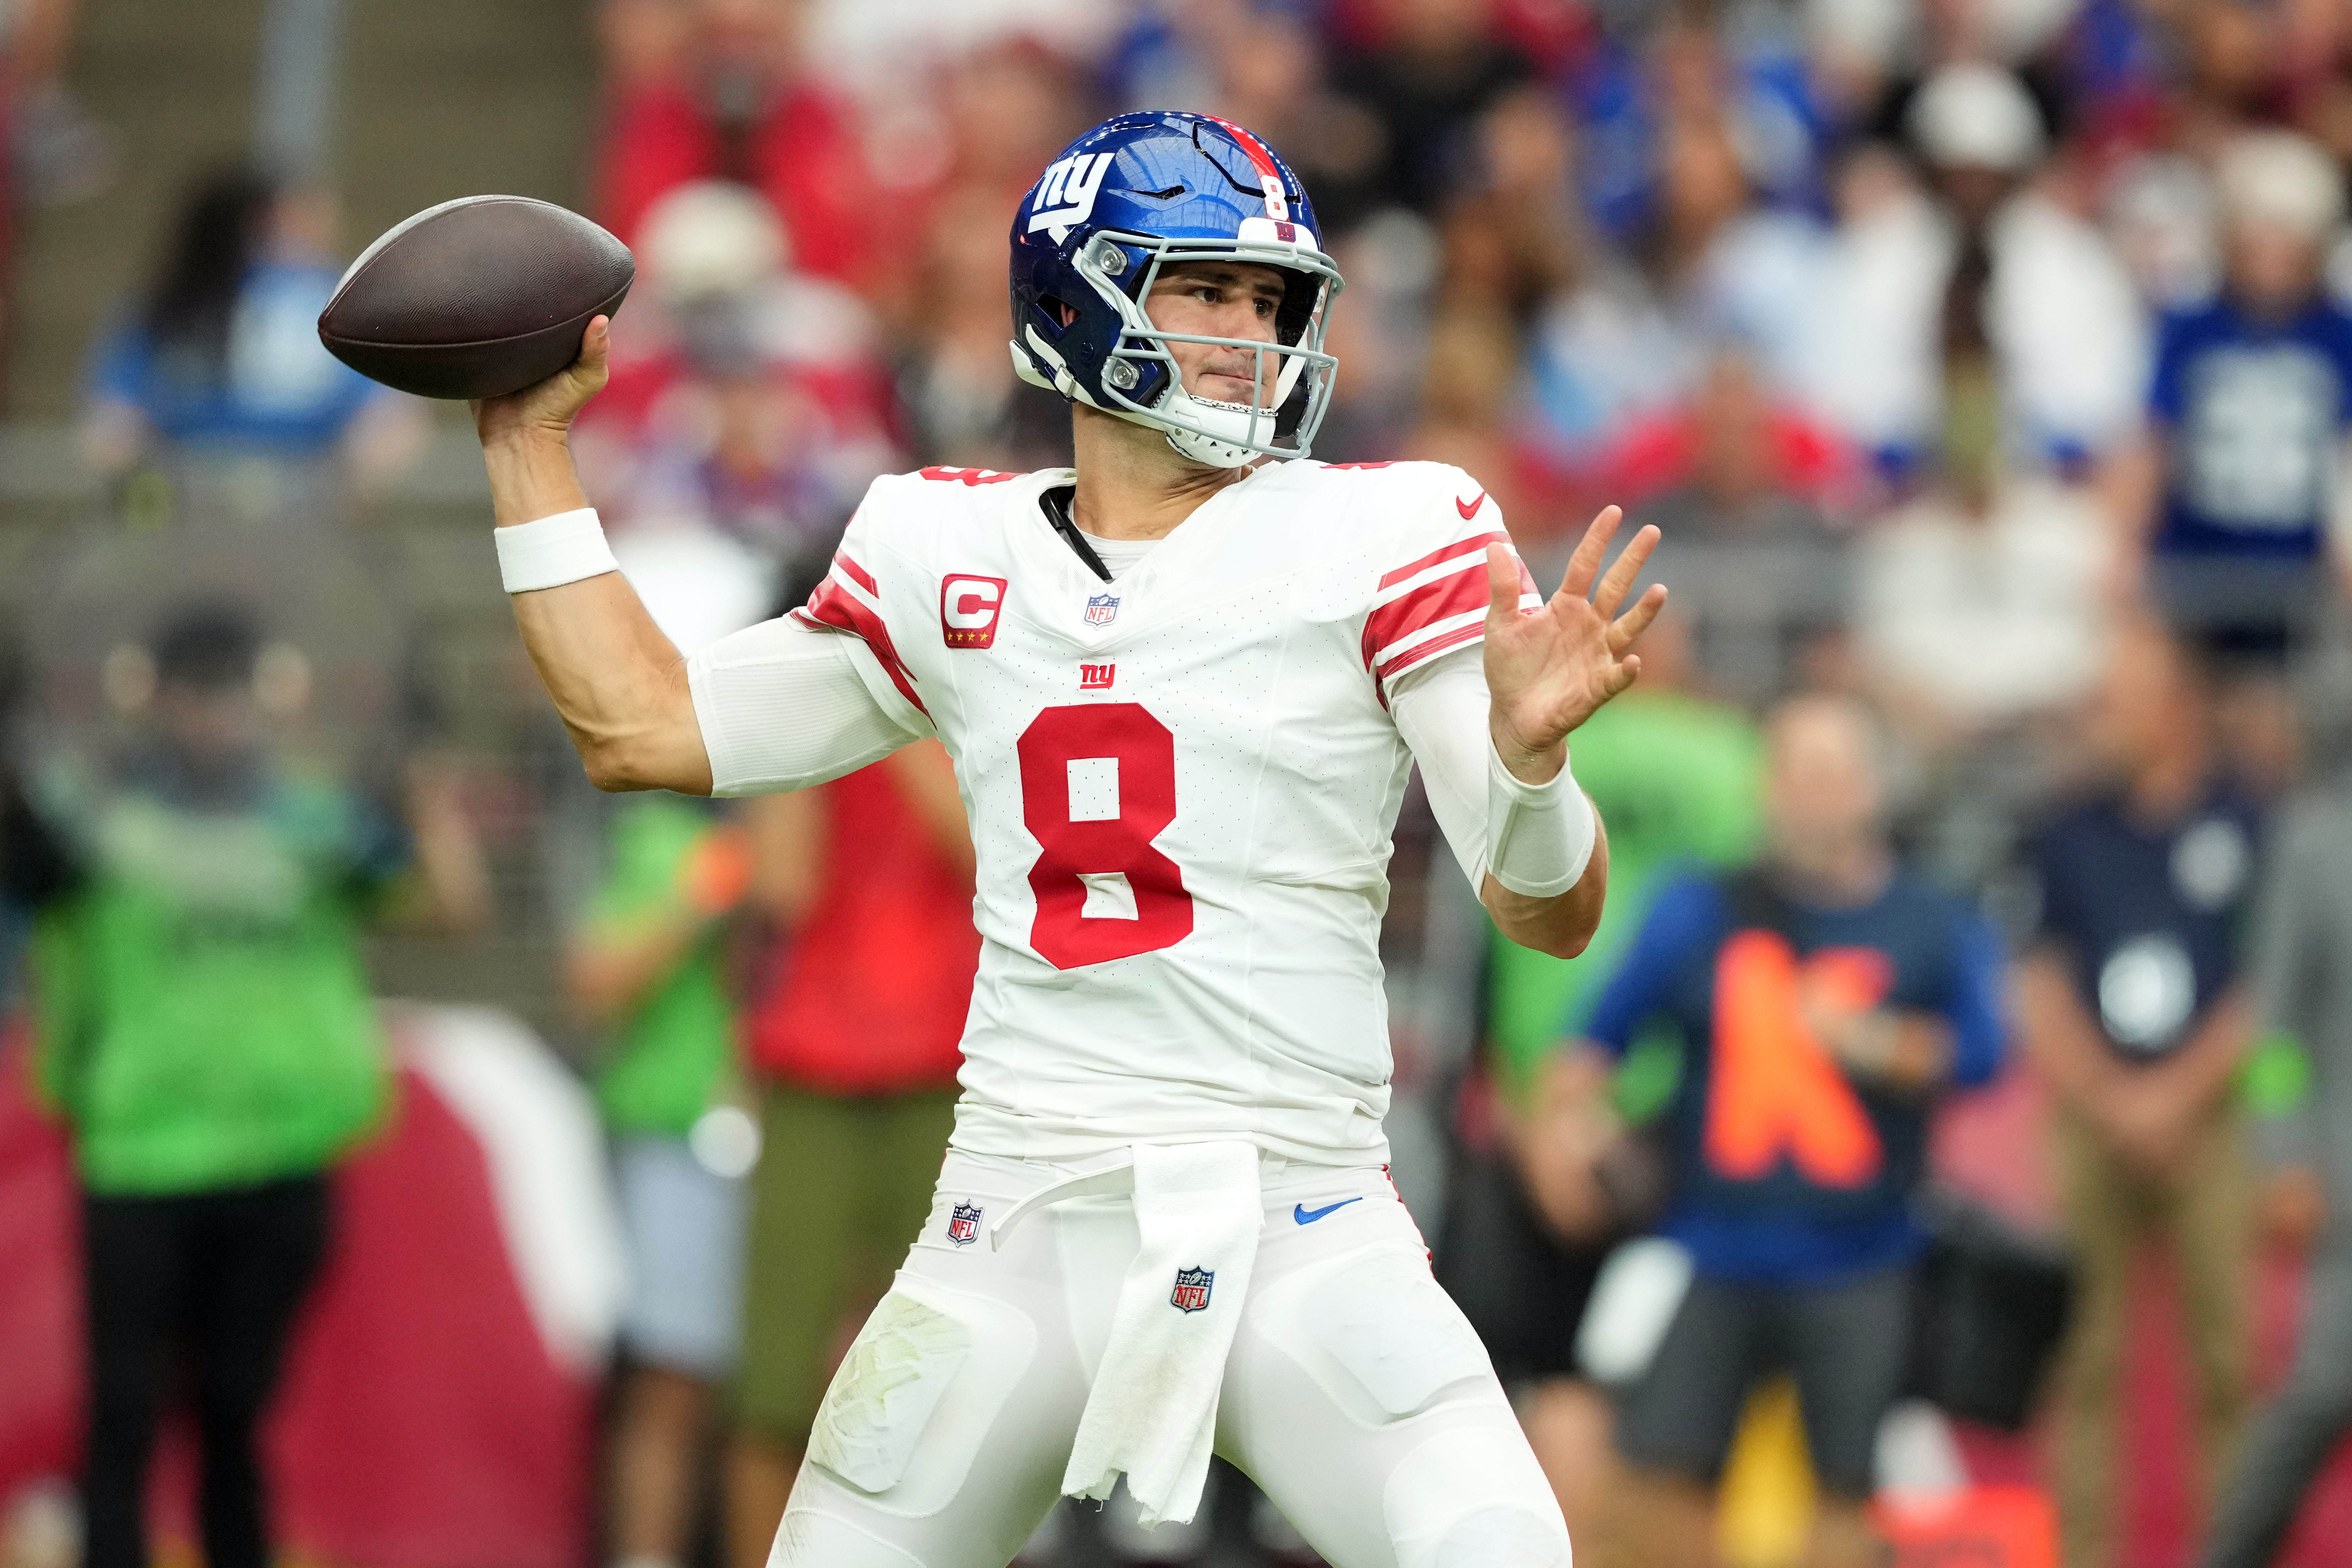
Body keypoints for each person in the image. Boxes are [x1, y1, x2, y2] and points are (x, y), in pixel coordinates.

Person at [470, 111, 1665, 1568]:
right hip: (1013, 1220)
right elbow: (640, 724)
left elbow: (1546, 912)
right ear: (1072, 293)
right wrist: (525, 442)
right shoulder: (938, 546)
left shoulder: (1393, 529)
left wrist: (1532, 772)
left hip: (1300, 1207)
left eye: (1268, 298)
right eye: (1202, 287)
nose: (1246, 330)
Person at [4, 603, 488, 1568]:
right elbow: (34, 884)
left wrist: (423, 787)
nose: (214, 720)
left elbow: (448, 907)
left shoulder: (311, 823)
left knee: (235, 1408)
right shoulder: (97, 824)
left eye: (231, 695)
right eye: (197, 696)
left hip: (281, 1151)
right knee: (125, 1410)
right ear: (160, 704)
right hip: (142, 1151)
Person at [1534, 693, 2005, 1568]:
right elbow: (1594, 1039)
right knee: (1655, 1478)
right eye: (1795, 771)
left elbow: (1984, 1055)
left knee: (1848, 1488)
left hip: (1864, 1251)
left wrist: (1881, 1045)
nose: (1813, 795)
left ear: (1872, 787)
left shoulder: (1930, 920)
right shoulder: (1701, 906)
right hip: (1709, 1245)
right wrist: (1577, 1123)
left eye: (1832, 772)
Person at [2016, 620, 2262, 1568]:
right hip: (2089, 1122)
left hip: (2215, 1120)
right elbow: (2037, 976)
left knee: (2227, 1361)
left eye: (2116, 700)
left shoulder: (2246, 822)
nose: (2097, 719)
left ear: (2175, 711)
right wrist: (2110, 1096)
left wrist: (2174, 1095)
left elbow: (2264, 980)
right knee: (2081, 1363)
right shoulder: (2066, 825)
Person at [721, 741, 977, 1568]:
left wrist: (899, 722)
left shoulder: (968, 698)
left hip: (944, 1071)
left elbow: (988, 856)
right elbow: (781, 887)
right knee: (776, 1380)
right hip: (813, 1067)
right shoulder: (826, 703)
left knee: (960, 1376)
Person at [2109, 130, 2352, 661]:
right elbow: (2155, 440)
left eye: (2288, 235)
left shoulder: (2339, 336)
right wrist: (2126, 548)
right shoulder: (2191, 328)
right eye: (2257, 232)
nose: (2271, 253)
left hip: (2306, 577)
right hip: (2197, 565)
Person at [2201, 776, 2352, 1568]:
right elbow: (2274, 1030)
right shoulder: (2318, 839)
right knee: (2321, 1391)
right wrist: (2283, 1150)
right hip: (2346, 1184)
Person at [80, 169, 417, 483]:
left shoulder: (340, 301)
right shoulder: (169, 308)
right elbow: (114, 422)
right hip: (193, 491)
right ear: (260, 223)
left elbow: (387, 422)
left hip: (299, 491)